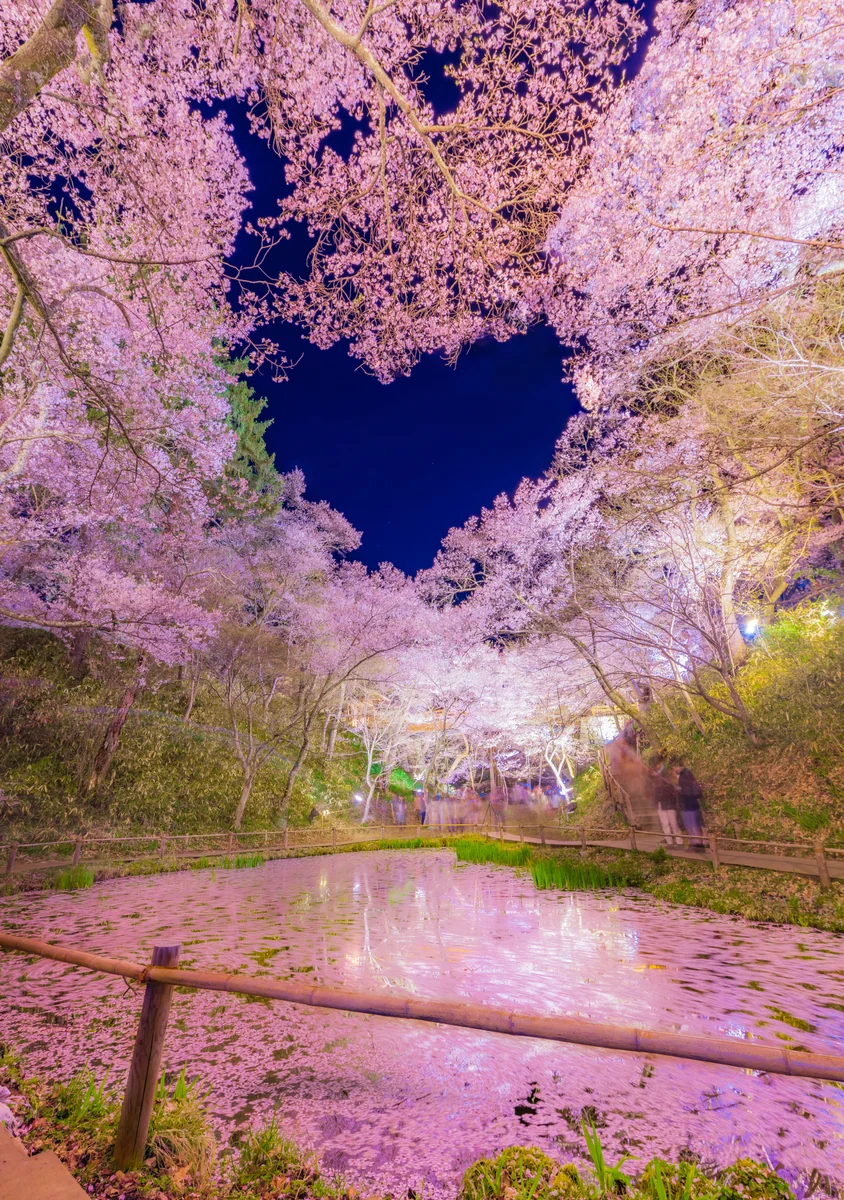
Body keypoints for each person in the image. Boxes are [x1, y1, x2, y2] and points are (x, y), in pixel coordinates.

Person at [675, 766, 705, 849]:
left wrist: (682, 790)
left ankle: (698, 844)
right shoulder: (686, 782)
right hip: (689, 807)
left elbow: (696, 794)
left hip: (690, 807)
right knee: (691, 826)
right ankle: (695, 843)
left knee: (693, 826)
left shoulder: (688, 782)